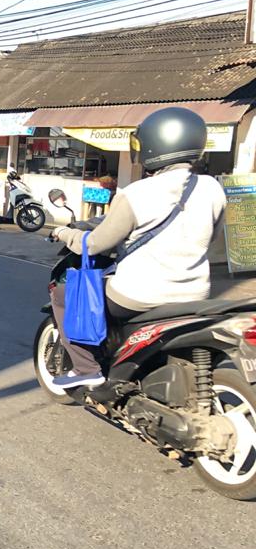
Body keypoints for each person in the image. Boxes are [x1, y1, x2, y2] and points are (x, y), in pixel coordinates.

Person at [49, 107, 226, 389]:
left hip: (138, 295)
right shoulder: (213, 188)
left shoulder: (137, 193)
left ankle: (87, 368)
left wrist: (64, 233)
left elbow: (95, 244)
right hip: (195, 293)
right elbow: (212, 236)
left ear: (154, 144)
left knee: (63, 294)